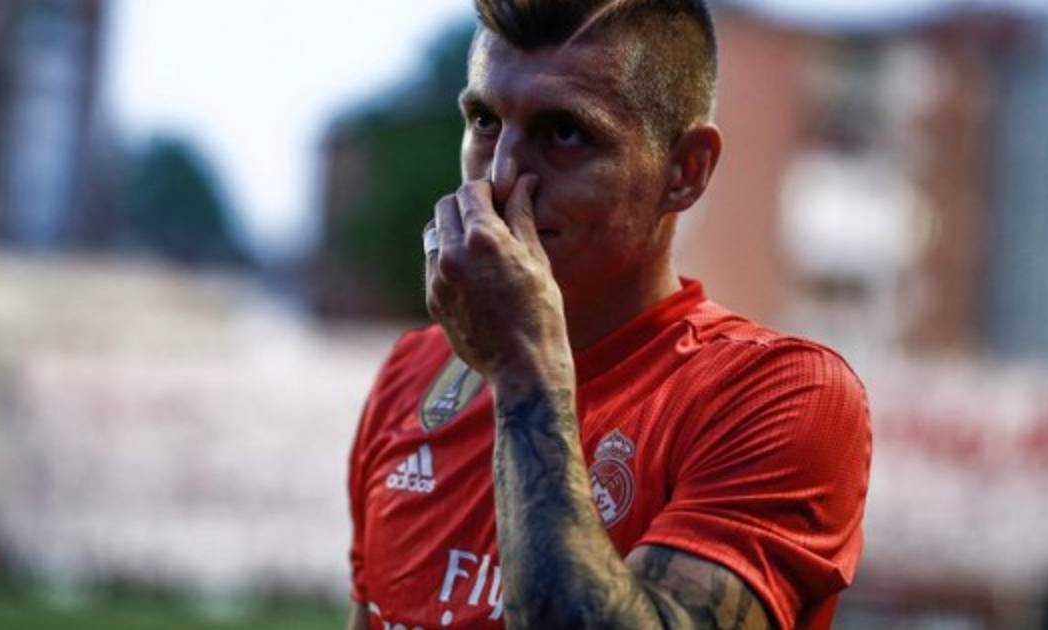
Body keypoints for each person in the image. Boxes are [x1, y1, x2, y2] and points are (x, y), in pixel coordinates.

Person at [345, 1, 871, 628]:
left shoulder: (779, 395)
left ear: (686, 170)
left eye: (564, 133)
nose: (502, 176)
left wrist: (523, 375)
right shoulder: (413, 373)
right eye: (485, 121)